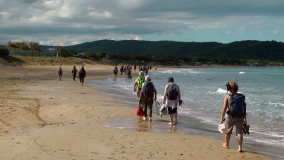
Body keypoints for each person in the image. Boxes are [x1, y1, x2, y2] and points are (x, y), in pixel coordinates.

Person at [220, 81, 247, 152]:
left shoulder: (227, 96)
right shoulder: (241, 96)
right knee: (239, 131)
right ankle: (240, 148)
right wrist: (245, 118)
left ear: (229, 89)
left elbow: (224, 108)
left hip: (230, 116)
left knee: (228, 130)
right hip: (240, 116)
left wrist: (222, 118)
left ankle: (227, 144)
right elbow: (244, 107)